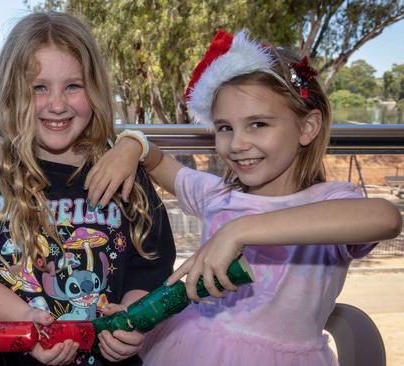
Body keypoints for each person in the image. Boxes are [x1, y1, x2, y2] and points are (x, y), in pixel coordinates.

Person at [83, 29, 402, 365]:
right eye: (225, 128)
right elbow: (158, 160)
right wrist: (131, 144)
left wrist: (239, 230)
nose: (237, 144)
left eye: (258, 124)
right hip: (188, 348)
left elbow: (385, 218)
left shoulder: (330, 202)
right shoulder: (217, 195)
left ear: (307, 128)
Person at [0, 12, 176, 366]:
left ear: (95, 89)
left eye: (73, 86)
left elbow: (151, 264)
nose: (57, 104)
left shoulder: (123, 172)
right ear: (10, 92)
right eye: (38, 87)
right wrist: (26, 321)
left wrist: (133, 319)